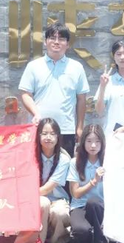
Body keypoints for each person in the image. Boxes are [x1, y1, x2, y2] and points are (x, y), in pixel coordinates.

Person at [19, 23, 89, 156]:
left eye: (61, 39)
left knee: (64, 165)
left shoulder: (76, 67)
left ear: (67, 44)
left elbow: (81, 99)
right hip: (39, 129)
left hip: (66, 130)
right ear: (45, 42)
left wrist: (79, 127)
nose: (56, 42)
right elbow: (25, 94)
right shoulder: (33, 66)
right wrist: (36, 113)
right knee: (37, 166)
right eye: (52, 38)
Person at [13, 118, 72, 243]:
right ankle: (31, 241)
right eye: (44, 133)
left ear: (58, 137)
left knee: (59, 213)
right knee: (42, 203)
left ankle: (56, 239)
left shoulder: (63, 159)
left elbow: (48, 188)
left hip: (57, 198)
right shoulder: (30, 156)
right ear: (38, 136)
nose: (48, 137)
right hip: (36, 197)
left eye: (52, 134)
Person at [67, 125, 109, 243]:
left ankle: (101, 241)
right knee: (80, 232)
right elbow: (75, 194)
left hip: (100, 207)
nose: (93, 145)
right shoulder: (75, 162)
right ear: (83, 142)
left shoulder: (108, 162)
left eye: (97, 141)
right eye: (89, 141)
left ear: (102, 143)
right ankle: (95, 232)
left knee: (94, 201)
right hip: (79, 206)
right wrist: (94, 181)